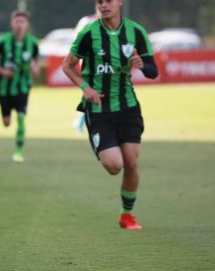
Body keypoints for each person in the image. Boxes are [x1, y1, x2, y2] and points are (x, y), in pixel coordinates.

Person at [62, 0, 158, 230]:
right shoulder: (88, 32)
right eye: (99, 2)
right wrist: (85, 86)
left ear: (119, 2)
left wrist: (141, 64)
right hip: (98, 110)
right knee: (115, 166)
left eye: (108, 1)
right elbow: (68, 65)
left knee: (132, 163)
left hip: (128, 107)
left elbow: (153, 71)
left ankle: (127, 215)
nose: (103, 5)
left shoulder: (136, 31)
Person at [0, 10, 40, 162]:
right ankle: (5, 116)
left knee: (22, 117)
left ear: (26, 24)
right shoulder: (3, 41)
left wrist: (35, 68)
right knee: (6, 122)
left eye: (22, 22)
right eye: (17, 22)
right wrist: (1, 70)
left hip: (23, 86)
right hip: (4, 87)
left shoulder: (33, 42)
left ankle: (18, 151)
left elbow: (36, 60)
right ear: (12, 23)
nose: (19, 25)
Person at [71, 7, 101, 133]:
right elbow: (76, 40)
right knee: (91, 89)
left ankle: (82, 119)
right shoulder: (86, 21)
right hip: (89, 62)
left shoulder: (112, 22)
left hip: (105, 63)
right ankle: (82, 119)